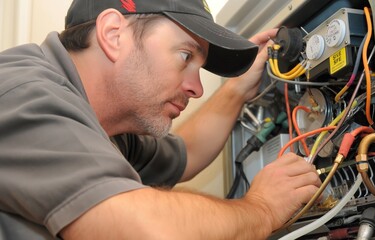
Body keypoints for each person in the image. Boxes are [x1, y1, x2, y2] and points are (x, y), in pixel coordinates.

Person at [0, 0, 321, 239]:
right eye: (185, 56)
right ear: (113, 34)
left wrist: (236, 90)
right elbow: (146, 230)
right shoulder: (23, 93)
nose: (196, 88)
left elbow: (186, 152)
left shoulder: (107, 126)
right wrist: (262, 209)